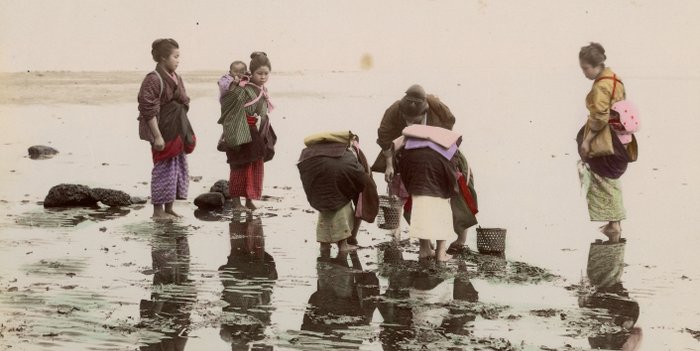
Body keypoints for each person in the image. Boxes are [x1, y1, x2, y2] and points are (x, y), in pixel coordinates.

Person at [371, 85, 477, 254]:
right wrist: (390, 165)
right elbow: (384, 138)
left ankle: (460, 238)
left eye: (414, 118)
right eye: (406, 118)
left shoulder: (438, 109)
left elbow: (450, 129)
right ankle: (425, 243)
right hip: (406, 153)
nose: (409, 122)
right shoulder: (394, 110)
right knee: (411, 195)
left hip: (441, 151)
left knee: (461, 189)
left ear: (425, 110)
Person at [576, 42, 636, 243]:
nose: (584, 73)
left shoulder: (601, 85)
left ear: (596, 65)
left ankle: (614, 225)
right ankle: (615, 224)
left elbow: (600, 117)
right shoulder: (615, 78)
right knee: (611, 180)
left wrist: (587, 141)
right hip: (621, 137)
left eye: (585, 68)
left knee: (604, 179)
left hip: (606, 138)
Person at [137, 38, 196, 219]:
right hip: (162, 130)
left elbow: (185, 100)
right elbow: (148, 110)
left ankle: (169, 208)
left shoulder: (176, 77)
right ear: (163, 58)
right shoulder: (153, 79)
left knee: (177, 168)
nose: (178, 60)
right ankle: (157, 211)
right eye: (175, 56)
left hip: (177, 128)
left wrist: (178, 111)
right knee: (163, 169)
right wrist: (157, 136)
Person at [297, 131, 378, 253]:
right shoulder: (351, 151)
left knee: (324, 212)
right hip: (339, 178)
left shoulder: (316, 150)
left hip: (319, 177)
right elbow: (361, 174)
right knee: (342, 209)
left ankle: (324, 245)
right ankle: (343, 245)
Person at [395, 125, 463, 262]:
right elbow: (450, 173)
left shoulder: (411, 147)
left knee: (421, 216)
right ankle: (441, 254)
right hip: (438, 189)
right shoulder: (449, 149)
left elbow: (404, 169)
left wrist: (411, 187)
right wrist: (451, 191)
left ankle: (424, 250)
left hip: (417, 186)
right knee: (443, 217)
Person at [218, 52, 276, 212]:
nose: (263, 76)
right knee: (238, 166)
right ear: (251, 73)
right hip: (239, 131)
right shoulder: (242, 88)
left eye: (266, 73)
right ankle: (237, 203)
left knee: (255, 165)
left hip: (254, 133)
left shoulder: (262, 89)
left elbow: (263, 111)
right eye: (259, 73)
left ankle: (250, 200)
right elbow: (229, 106)